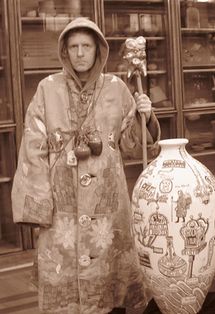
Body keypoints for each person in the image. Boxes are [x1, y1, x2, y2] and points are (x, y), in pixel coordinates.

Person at [11, 17, 160, 314]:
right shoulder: (47, 89)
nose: (80, 53)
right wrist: (40, 207)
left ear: (98, 51)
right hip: (61, 209)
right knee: (63, 281)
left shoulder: (117, 89)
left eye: (86, 46)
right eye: (74, 47)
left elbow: (132, 145)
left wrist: (145, 116)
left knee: (109, 282)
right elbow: (32, 148)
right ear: (65, 51)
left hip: (107, 205)